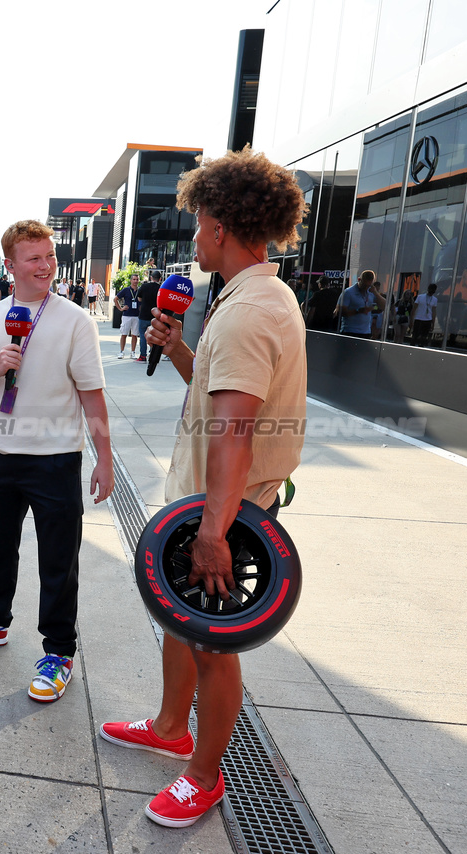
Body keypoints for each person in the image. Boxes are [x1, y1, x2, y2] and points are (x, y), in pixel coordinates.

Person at [100, 148, 308, 829]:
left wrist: (215, 532)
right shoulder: (248, 298)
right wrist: (185, 353)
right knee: (179, 624)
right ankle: (168, 726)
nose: (193, 236)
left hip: (226, 512)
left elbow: (237, 433)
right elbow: (223, 403)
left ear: (220, 225)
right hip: (203, 502)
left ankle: (204, 776)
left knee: (214, 644)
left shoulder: (252, 310)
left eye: (198, 223)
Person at [0, 220, 113, 703]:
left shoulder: (75, 320)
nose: (46, 266)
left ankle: (59, 650)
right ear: (9, 265)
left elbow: (92, 397)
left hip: (55, 461)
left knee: (59, 561)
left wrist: (104, 459)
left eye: (50, 256)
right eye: (34, 259)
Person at [337, 269, 376, 337]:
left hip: (366, 332)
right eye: (364, 285)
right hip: (350, 331)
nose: (366, 288)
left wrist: (376, 293)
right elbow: (340, 312)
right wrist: (358, 311)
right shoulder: (348, 292)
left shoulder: (371, 292)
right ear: (359, 280)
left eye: (368, 286)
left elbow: (383, 306)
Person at [136, 271, 162, 361]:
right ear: (160, 279)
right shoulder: (161, 288)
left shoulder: (144, 286)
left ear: (151, 278)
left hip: (143, 315)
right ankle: (153, 356)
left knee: (143, 336)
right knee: (155, 336)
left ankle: (143, 356)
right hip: (155, 317)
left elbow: (139, 298)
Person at [115, 273, 141, 358]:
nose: (135, 281)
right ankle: (121, 351)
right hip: (126, 315)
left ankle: (133, 352)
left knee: (135, 334)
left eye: (137, 279)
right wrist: (120, 308)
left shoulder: (140, 290)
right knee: (124, 334)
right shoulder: (126, 290)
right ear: (131, 280)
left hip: (136, 315)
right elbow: (115, 299)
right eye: (134, 279)